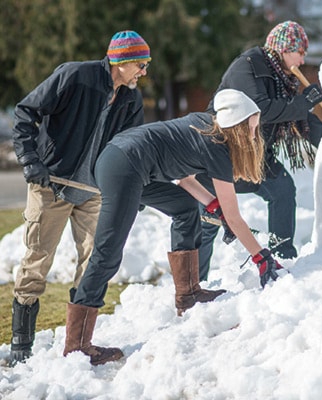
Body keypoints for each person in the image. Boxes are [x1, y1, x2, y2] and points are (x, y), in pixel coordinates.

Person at [64, 89, 284, 365]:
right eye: (252, 126)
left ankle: (189, 294)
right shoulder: (218, 148)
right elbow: (235, 215)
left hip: (126, 160)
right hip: (123, 165)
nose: (255, 133)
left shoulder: (205, 126)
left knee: (184, 208)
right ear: (238, 127)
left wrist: (214, 208)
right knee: (107, 253)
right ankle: (77, 345)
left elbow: (184, 179)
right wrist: (261, 258)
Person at [9, 30, 151, 366]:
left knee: (95, 261)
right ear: (122, 61)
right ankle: (20, 346)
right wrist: (31, 161)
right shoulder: (76, 76)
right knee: (37, 260)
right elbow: (25, 113)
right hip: (52, 186)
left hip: (94, 192)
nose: (144, 72)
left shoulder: (131, 100)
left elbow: (133, 148)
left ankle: (78, 344)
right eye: (141, 64)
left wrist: (135, 188)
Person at [196, 20, 322, 281]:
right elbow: (261, 109)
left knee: (282, 189)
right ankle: (192, 284)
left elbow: (299, 120)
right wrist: (302, 102)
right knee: (208, 219)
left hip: (256, 157)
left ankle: (282, 256)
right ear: (284, 49)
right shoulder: (249, 65)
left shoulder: (283, 80)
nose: (302, 61)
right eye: (300, 52)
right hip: (222, 155)